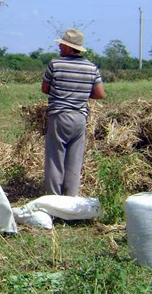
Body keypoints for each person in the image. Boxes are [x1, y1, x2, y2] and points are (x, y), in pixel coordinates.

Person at [42, 28, 105, 196]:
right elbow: (100, 94)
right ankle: (70, 199)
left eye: (62, 45)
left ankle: (54, 199)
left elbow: (45, 88)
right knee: (74, 160)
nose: (60, 47)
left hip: (59, 116)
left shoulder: (55, 64)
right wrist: (81, 94)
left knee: (55, 159)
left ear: (70, 48)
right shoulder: (92, 68)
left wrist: (62, 93)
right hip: (79, 118)